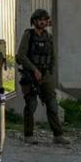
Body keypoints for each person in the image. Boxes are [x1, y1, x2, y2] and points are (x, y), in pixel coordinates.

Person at [16, 9, 69, 145]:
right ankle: (28, 135)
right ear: (34, 21)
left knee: (52, 105)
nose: (42, 21)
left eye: (45, 19)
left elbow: (52, 57)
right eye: (40, 19)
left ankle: (58, 135)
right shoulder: (29, 35)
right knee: (31, 105)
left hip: (45, 75)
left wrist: (49, 73)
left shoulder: (48, 37)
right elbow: (21, 56)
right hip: (30, 75)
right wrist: (34, 70)